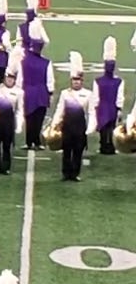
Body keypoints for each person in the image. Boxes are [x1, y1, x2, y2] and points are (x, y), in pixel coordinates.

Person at [52, 51, 95, 182]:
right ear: (71, 81)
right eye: (74, 81)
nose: (76, 83)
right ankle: (66, 173)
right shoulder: (65, 93)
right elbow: (60, 109)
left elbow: (91, 112)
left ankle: (75, 173)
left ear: (82, 81)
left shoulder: (88, 94)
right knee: (67, 150)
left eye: (78, 81)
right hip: (67, 126)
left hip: (80, 127)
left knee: (78, 151)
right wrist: (55, 122)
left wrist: (90, 127)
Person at [17, 19, 53, 150]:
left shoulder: (23, 62)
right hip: (42, 92)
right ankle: (36, 141)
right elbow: (50, 81)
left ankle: (28, 141)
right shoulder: (47, 63)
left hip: (27, 91)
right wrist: (50, 93)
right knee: (39, 118)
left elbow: (20, 80)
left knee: (29, 118)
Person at [93, 36, 124, 155]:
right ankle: (109, 146)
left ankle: (103, 145)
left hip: (102, 106)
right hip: (112, 106)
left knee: (103, 126)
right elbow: (119, 97)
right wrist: (119, 108)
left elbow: (96, 97)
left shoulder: (98, 81)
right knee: (110, 126)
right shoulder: (118, 81)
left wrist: (95, 107)